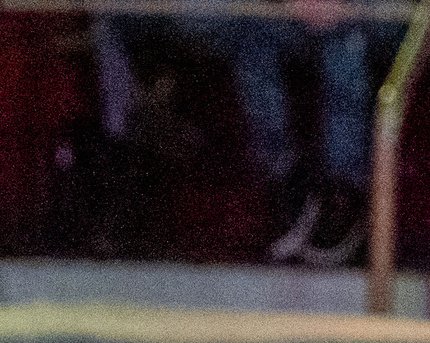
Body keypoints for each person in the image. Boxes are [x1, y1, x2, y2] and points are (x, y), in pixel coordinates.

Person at [98, 0, 404, 265]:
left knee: (343, 35)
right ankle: (286, 176)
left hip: (380, 14)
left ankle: (344, 192)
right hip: (283, 13)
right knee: (249, 28)